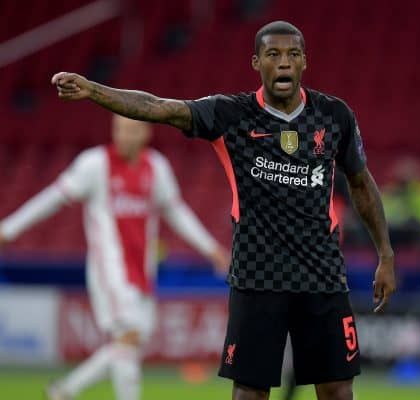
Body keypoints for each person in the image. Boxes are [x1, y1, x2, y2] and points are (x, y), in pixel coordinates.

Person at [50, 20, 396, 400]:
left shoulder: (335, 117)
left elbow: (362, 183)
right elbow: (159, 108)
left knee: (338, 391)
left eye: (292, 55)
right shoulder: (231, 114)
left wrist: (386, 254)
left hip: (323, 277)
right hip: (257, 278)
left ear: (304, 63)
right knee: (249, 392)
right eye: (273, 55)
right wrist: (92, 89)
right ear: (256, 63)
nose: (284, 63)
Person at [0, 114, 230, 400]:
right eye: (119, 129)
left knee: (130, 344)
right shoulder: (94, 164)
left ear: (145, 132)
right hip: (110, 270)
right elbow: (53, 198)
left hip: (142, 271)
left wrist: (210, 248)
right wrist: (9, 229)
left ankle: (64, 390)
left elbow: (176, 212)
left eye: (132, 129)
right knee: (129, 337)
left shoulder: (156, 167)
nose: (124, 135)